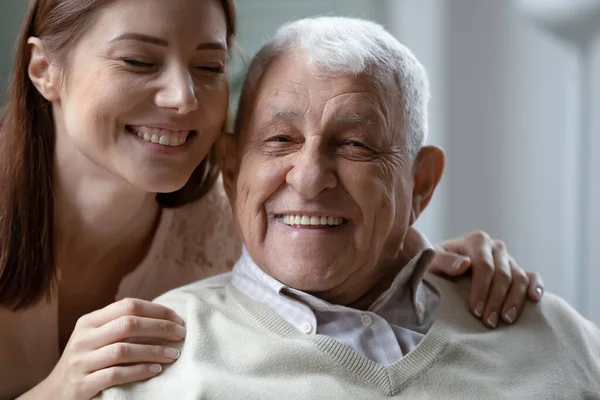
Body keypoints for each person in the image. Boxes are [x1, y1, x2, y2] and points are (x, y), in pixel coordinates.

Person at [0, 1, 543, 399]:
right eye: (139, 61)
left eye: (209, 68)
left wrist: (451, 265)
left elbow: (345, 235)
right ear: (45, 69)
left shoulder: (227, 213)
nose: (183, 98)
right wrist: (56, 392)